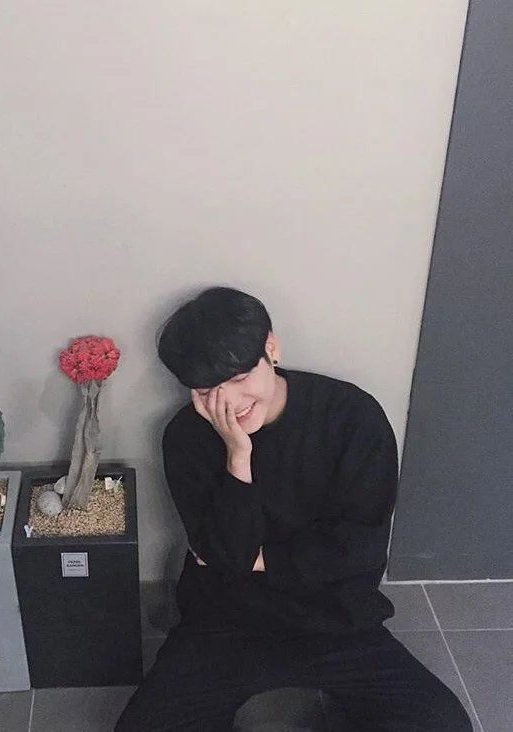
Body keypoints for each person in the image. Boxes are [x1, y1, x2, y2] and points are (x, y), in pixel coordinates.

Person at [115, 287, 471, 731]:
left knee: (442, 724)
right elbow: (226, 555)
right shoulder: (186, 436)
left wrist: (252, 559)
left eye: (240, 379)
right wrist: (238, 457)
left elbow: (360, 548)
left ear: (271, 348)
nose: (229, 404)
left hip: (337, 617)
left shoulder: (350, 415)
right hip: (227, 619)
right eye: (207, 390)